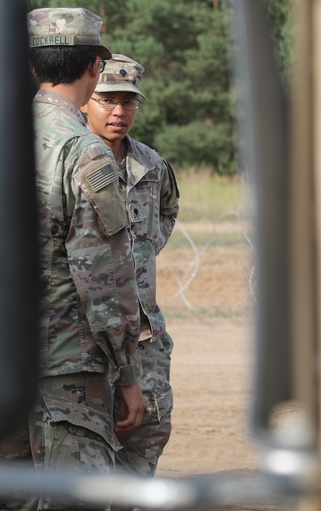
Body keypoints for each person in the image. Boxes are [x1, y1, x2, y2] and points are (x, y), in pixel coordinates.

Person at [0, 8, 145, 511]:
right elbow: (103, 277)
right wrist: (130, 371)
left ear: (32, 68)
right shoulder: (84, 154)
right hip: (67, 368)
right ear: (96, 67)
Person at [81, 54, 180, 477]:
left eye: (129, 102)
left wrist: (140, 253)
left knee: (149, 428)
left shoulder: (151, 166)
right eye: (107, 100)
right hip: (84, 331)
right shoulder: (70, 161)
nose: (119, 112)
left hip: (141, 331)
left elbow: (169, 209)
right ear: (86, 99)